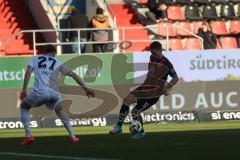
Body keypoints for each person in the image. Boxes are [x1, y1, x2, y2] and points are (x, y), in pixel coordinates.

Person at [19, 45, 95, 145]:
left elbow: (28, 72)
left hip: (41, 91)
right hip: (55, 93)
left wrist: (24, 89)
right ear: (52, 52)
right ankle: (73, 136)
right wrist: (86, 89)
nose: (55, 55)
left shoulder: (35, 58)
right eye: (55, 53)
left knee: (24, 106)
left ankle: (28, 136)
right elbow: (74, 75)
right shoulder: (57, 62)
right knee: (60, 110)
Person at [109, 41, 179, 139]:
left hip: (153, 93)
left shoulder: (166, 63)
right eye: (151, 52)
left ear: (160, 50)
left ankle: (140, 132)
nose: (152, 54)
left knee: (135, 111)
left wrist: (166, 88)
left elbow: (175, 78)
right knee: (127, 99)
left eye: (154, 52)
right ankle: (118, 127)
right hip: (144, 87)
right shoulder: (152, 58)